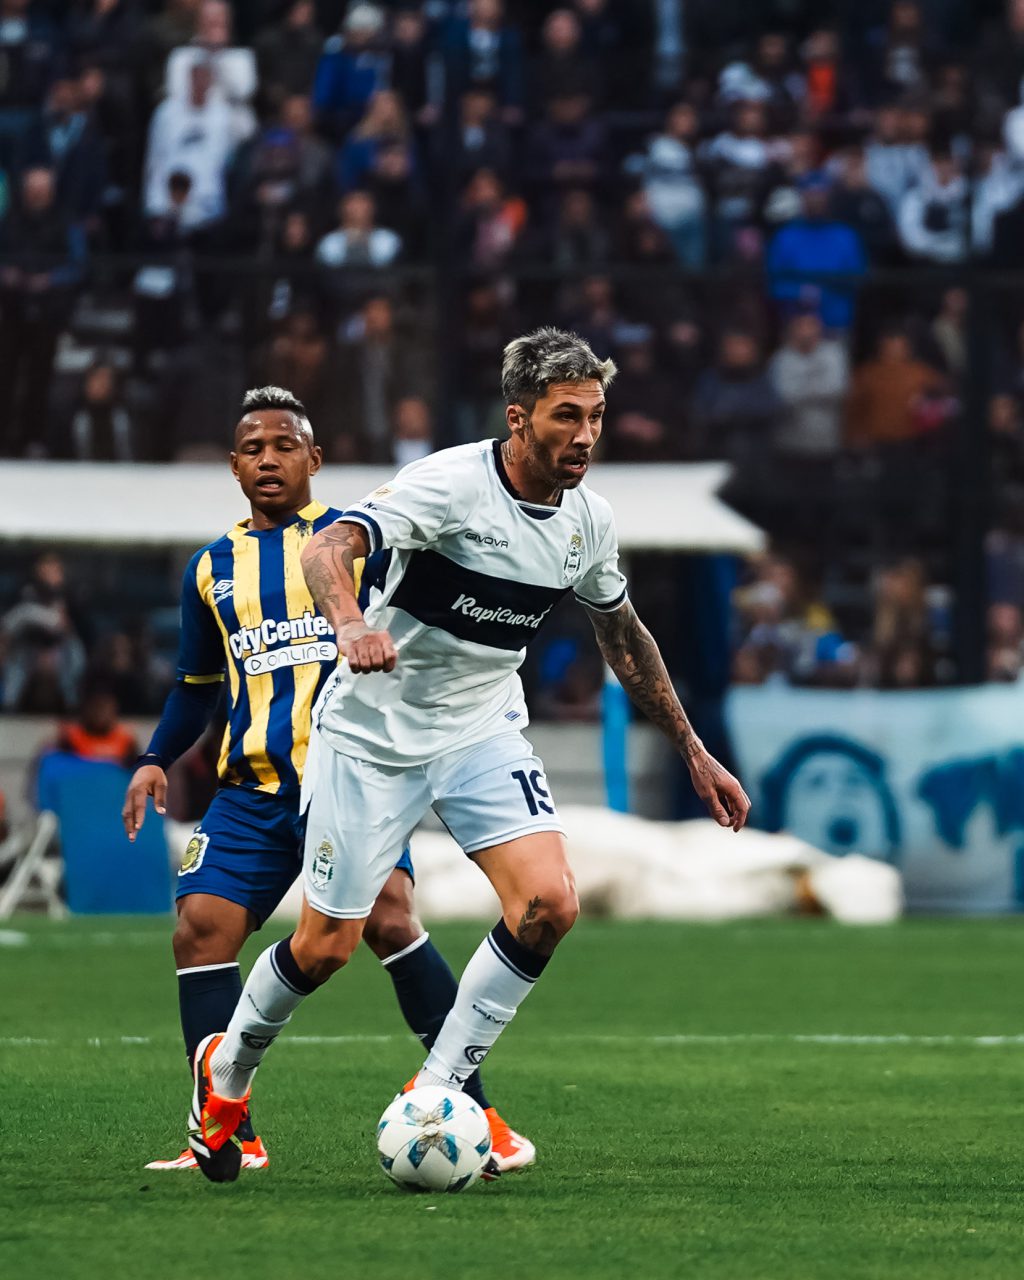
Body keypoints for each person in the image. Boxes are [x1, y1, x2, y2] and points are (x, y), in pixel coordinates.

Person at [187, 330, 750, 1182]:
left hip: (481, 730)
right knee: (327, 946)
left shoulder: (589, 523)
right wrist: (351, 625)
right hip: (370, 738)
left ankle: (439, 1090)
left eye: (596, 417)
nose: (586, 436)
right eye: (567, 417)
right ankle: (226, 1071)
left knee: (550, 905)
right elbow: (326, 547)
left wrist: (695, 751)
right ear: (518, 419)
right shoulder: (450, 484)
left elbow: (624, 636)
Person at [124, 385, 530, 1174]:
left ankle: (479, 1114)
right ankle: (228, 1130)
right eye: (253, 448)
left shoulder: (359, 543)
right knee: (199, 929)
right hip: (251, 789)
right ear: (233, 466)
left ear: (315, 458)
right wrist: (152, 759)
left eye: (285, 445)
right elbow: (195, 685)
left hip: (354, 776)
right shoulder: (211, 568)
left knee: (390, 918)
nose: (269, 459)